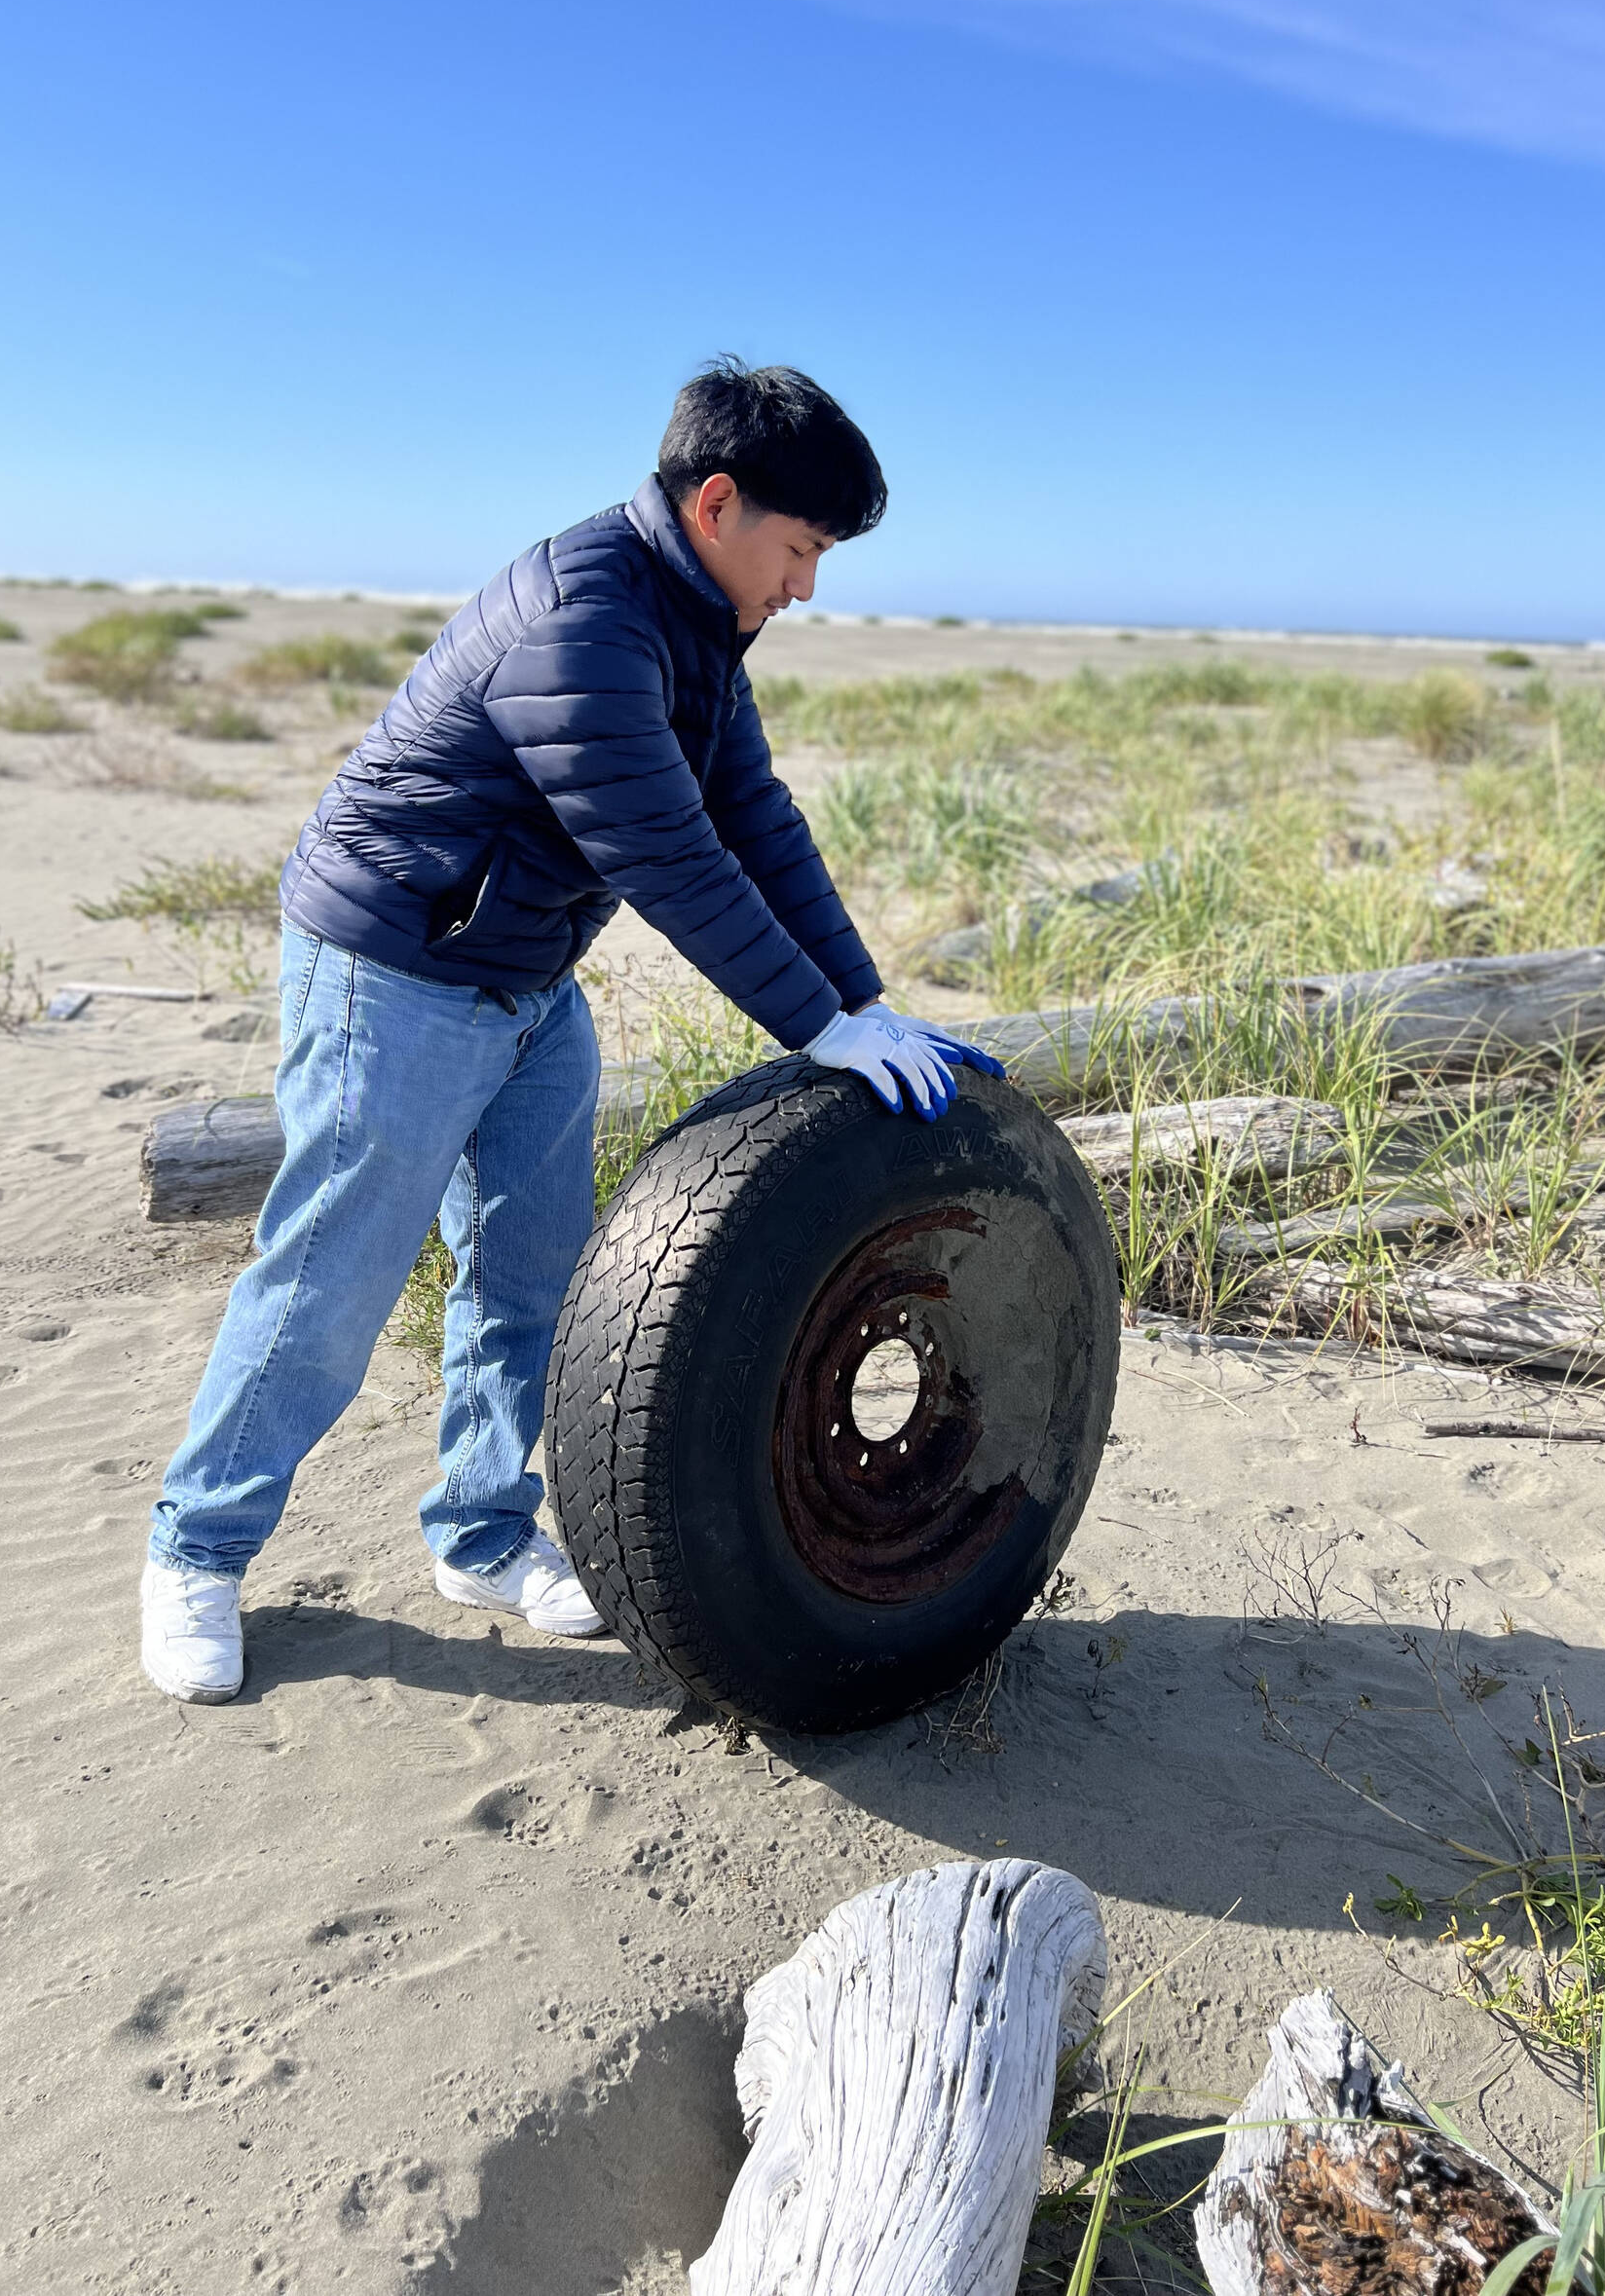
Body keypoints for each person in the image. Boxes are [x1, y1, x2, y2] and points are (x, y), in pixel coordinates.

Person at [139, 358, 1001, 1704]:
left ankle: (483, 1535)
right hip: (395, 971)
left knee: (529, 1276)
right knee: (328, 1282)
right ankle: (195, 1551)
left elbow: (754, 819)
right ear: (717, 503)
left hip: (531, 980)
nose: (808, 585)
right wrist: (815, 1026)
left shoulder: (703, 619)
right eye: (801, 547)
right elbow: (667, 853)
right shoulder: (581, 619)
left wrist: (863, 996)